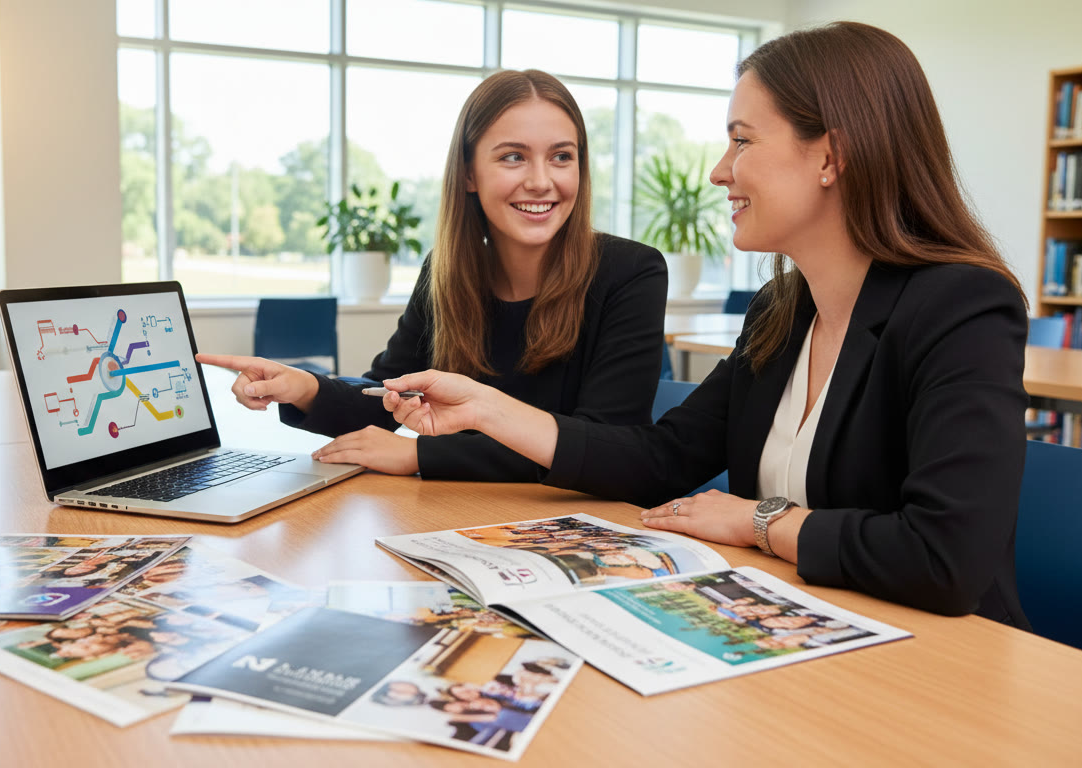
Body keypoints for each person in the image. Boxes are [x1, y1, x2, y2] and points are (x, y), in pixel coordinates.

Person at [371, 22, 1030, 627]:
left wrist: (761, 521)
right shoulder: (781, 313)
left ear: (831, 156)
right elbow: (660, 462)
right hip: (793, 631)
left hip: (939, 667)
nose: (719, 171)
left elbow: (946, 559)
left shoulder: (962, 305)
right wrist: (490, 410)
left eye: (741, 140)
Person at [196, 68, 667, 481]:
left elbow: (605, 446)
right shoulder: (447, 272)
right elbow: (386, 395)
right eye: (513, 157)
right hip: (456, 522)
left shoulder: (631, 274)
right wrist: (306, 387)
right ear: (468, 173)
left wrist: (422, 455)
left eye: (562, 156)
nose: (542, 180)